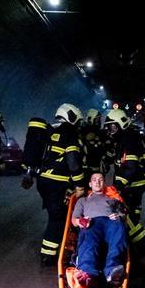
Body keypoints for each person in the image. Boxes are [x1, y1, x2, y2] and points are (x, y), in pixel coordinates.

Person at [36, 103, 85, 265]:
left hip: (43, 180)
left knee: (56, 216)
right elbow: (73, 162)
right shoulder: (69, 133)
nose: (78, 124)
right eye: (77, 120)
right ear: (71, 117)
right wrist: (79, 185)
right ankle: (48, 256)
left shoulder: (50, 130)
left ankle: (53, 251)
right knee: (57, 218)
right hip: (57, 183)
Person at [104, 108, 145, 252]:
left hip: (134, 182)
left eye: (113, 126)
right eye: (109, 127)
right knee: (133, 210)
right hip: (139, 180)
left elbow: (130, 167)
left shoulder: (128, 139)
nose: (110, 130)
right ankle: (131, 239)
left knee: (122, 210)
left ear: (121, 124)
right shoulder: (126, 137)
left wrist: (117, 186)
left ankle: (142, 241)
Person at [69, 172, 127, 288]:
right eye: (94, 180)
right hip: (92, 223)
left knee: (119, 227)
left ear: (104, 184)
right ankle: (87, 273)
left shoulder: (112, 199)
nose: (97, 182)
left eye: (100, 180)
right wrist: (81, 221)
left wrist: (118, 216)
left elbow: (123, 215)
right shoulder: (83, 201)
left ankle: (112, 271)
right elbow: (74, 220)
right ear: (90, 184)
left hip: (109, 222)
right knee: (88, 237)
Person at [82, 108, 105, 179]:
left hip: (98, 166)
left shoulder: (100, 132)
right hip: (86, 168)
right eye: (96, 119)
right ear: (90, 119)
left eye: (99, 119)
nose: (98, 121)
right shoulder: (84, 130)